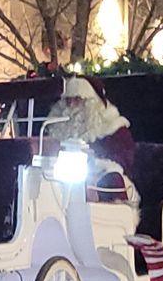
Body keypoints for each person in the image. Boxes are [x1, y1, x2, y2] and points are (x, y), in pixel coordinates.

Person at [44, 74, 138, 202]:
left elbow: (123, 162)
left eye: (77, 99)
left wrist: (93, 163)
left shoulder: (114, 128)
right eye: (68, 100)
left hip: (102, 179)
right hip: (61, 180)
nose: (71, 106)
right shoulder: (56, 130)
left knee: (111, 179)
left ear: (91, 102)